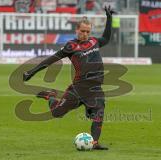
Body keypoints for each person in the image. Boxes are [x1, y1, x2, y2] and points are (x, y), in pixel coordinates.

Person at [23, 6, 115, 150]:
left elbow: (106, 38)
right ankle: (50, 97)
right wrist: (31, 72)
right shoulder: (71, 46)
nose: (85, 34)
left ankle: (94, 143)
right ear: (77, 30)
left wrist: (109, 18)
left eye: (87, 31)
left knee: (98, 115)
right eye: (82, 31)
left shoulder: (94, 42)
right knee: (57, 113)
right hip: (78, 89)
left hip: (95, 89)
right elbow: (50, 60)